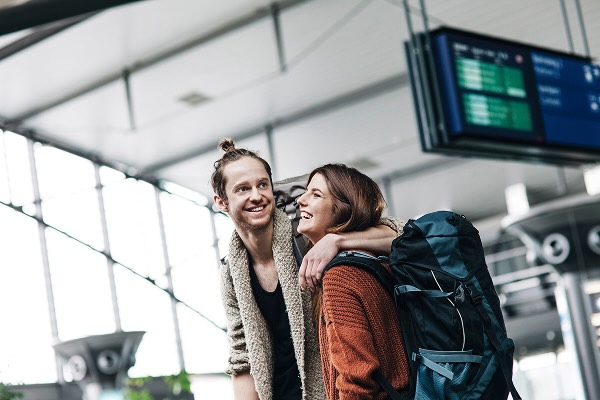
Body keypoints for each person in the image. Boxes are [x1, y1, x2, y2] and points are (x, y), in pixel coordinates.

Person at [210, 139, 402, 400]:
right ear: (221, 202)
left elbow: (403, 234)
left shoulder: (305, 236)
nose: (256, 196)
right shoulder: (232, 273)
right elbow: (242, 356)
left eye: (262, 184)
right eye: (243, 189)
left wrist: (336, 240)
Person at [296, 163, 410, 400]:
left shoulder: (341, 276)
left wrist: (335, 241)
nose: (301, 200)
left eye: (316, 194)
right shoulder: (381, 264)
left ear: (343, 211)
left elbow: (355, 379)